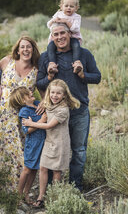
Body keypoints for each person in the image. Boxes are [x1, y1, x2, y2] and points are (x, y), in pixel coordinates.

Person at [36, 22, 101, 192]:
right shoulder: (46, 57)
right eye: (55, 34)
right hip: (54, 115)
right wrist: (49, 76)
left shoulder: (84, 54)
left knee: (78, 151)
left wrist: (82, 74)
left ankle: (75, 188)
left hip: (79, 112)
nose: (59, 37)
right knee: (52, 150)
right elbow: (39, 83)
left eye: (62, 33)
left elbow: (97, 77)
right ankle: (51, 190)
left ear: (69, 34)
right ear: (52, 37)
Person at [0, 36, 41, 191]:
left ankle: (13, 189)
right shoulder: (7, 61)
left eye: (29, 47)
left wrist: (45, 104)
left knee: (16, 149)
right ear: (18, 49)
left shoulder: (36, 70)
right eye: (23, 47)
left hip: (19, 116)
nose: (26, 50)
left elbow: (43, 91)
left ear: (33, 49)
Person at [22, 79, 80, 208]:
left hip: (60, 144)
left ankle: (55, 198)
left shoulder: (63, 110)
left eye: (58, 93)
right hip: (48, 142)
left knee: (56, 172)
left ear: (64, 95)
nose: (55, 95)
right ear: (48, 93)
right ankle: (41, 197)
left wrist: (31, 124)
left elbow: (48, 125)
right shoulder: (48, 104)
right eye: (52, 92)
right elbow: (36, 106)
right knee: (43, 168)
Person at [9, 86, 47, 204]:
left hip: (43, 141)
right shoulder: (24, 111)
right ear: (23, 100)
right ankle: (18, 195)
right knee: (27, 169)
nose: (31, 92)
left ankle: (26, 194)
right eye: (27, 93)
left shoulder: (37, 103)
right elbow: (27, 130)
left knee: (35, 169)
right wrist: (42, 121)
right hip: (33, 143)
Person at [47, 0, 83, 75]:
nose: (69, 8)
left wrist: (66, 21)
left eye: (72, 6)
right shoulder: (58, 14)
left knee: (76, 46)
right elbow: (49, 25)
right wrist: (53, 21)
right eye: (66, 6)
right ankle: (52, 64)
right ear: (61, 7)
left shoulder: (77, 17)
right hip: (58, 38)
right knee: (50, 47)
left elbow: (75, 29)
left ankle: (76, 64)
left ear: (76, 8)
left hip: (73, 37)